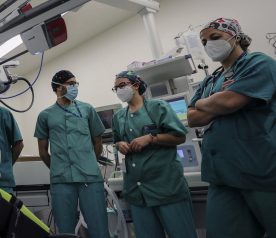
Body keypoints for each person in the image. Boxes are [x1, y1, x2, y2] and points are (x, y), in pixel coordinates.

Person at [187, 17, 276, 237]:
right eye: (205, 41)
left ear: (236, 37)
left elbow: (229, 102)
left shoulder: (258, 62)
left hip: (260, 168)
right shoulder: (210, 80)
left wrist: (206, 103)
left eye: (215, 37)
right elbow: (192, 118)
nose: (209, 45)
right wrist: (216, 100)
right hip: (221, 174)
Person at [112, 70, 198, 238]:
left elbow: (180, 136)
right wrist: (120, 144)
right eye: (116, 88)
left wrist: (151, 138)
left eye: (122, 85)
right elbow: (116, 140)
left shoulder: (158, 107)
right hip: (136, 191)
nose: (119, 90)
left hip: (166, 186)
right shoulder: (119, 117)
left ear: (136, 85)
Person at [34, 70, 109, 238]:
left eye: (76, 84)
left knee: (99, 227)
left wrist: (89, 163)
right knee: (65, 230)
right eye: (71, 84)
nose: (75, 87)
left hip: (90, 179)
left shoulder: (87, 109)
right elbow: (42, 151)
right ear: (59, 87)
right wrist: (57, 168)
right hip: (61, 180)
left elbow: (98, 143)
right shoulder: (45, 115)